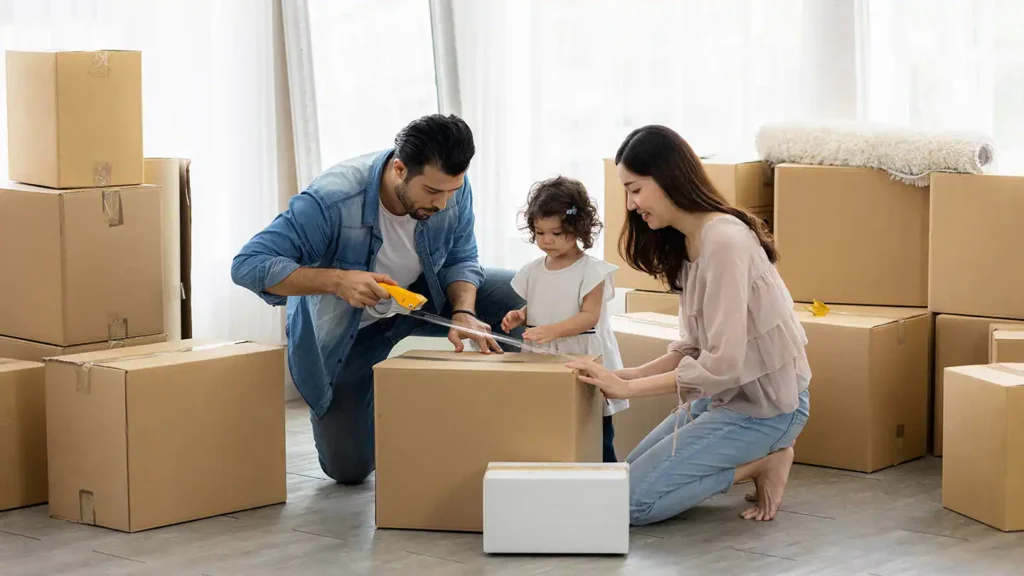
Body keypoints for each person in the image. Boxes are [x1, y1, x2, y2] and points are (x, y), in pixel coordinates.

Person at [231, 114, 525, 485]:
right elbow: (247, 265)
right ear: (399, 169)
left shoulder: (450, 189)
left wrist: (464, 311)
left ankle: (495, 429)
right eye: (433, 192)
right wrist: (339, 281)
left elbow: (461, 258)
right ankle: (385, 412)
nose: (444, 202)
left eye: (453, 190)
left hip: (424, 299)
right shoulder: (331, 199)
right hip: (350, 333)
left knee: (522, 292)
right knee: (347, 469)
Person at [567, 125, 811, 525]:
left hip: (771, 408)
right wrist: (624, 374)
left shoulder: (725, 241)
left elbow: (722, 365)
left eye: (635, 188)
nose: (630, 204)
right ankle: (756, 461)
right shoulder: (689, 242)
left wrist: (629, 388)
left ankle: (760, 465)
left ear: (668, 178)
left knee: (628, 505)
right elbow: (694, 345)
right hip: (728, 400)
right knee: (623, 482)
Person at [500, 176, 629, 463]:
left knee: (594, 428)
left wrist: (553, 331)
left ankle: (606, 482)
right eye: (540, 232)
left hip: (583, 355)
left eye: (556, 233)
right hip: (545, 355)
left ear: (578, 228)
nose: (547, 240)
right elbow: (535, 306)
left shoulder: (592, 271)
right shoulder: (533, 270)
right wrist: (520, 315)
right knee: (548, 424)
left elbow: (589, 316)